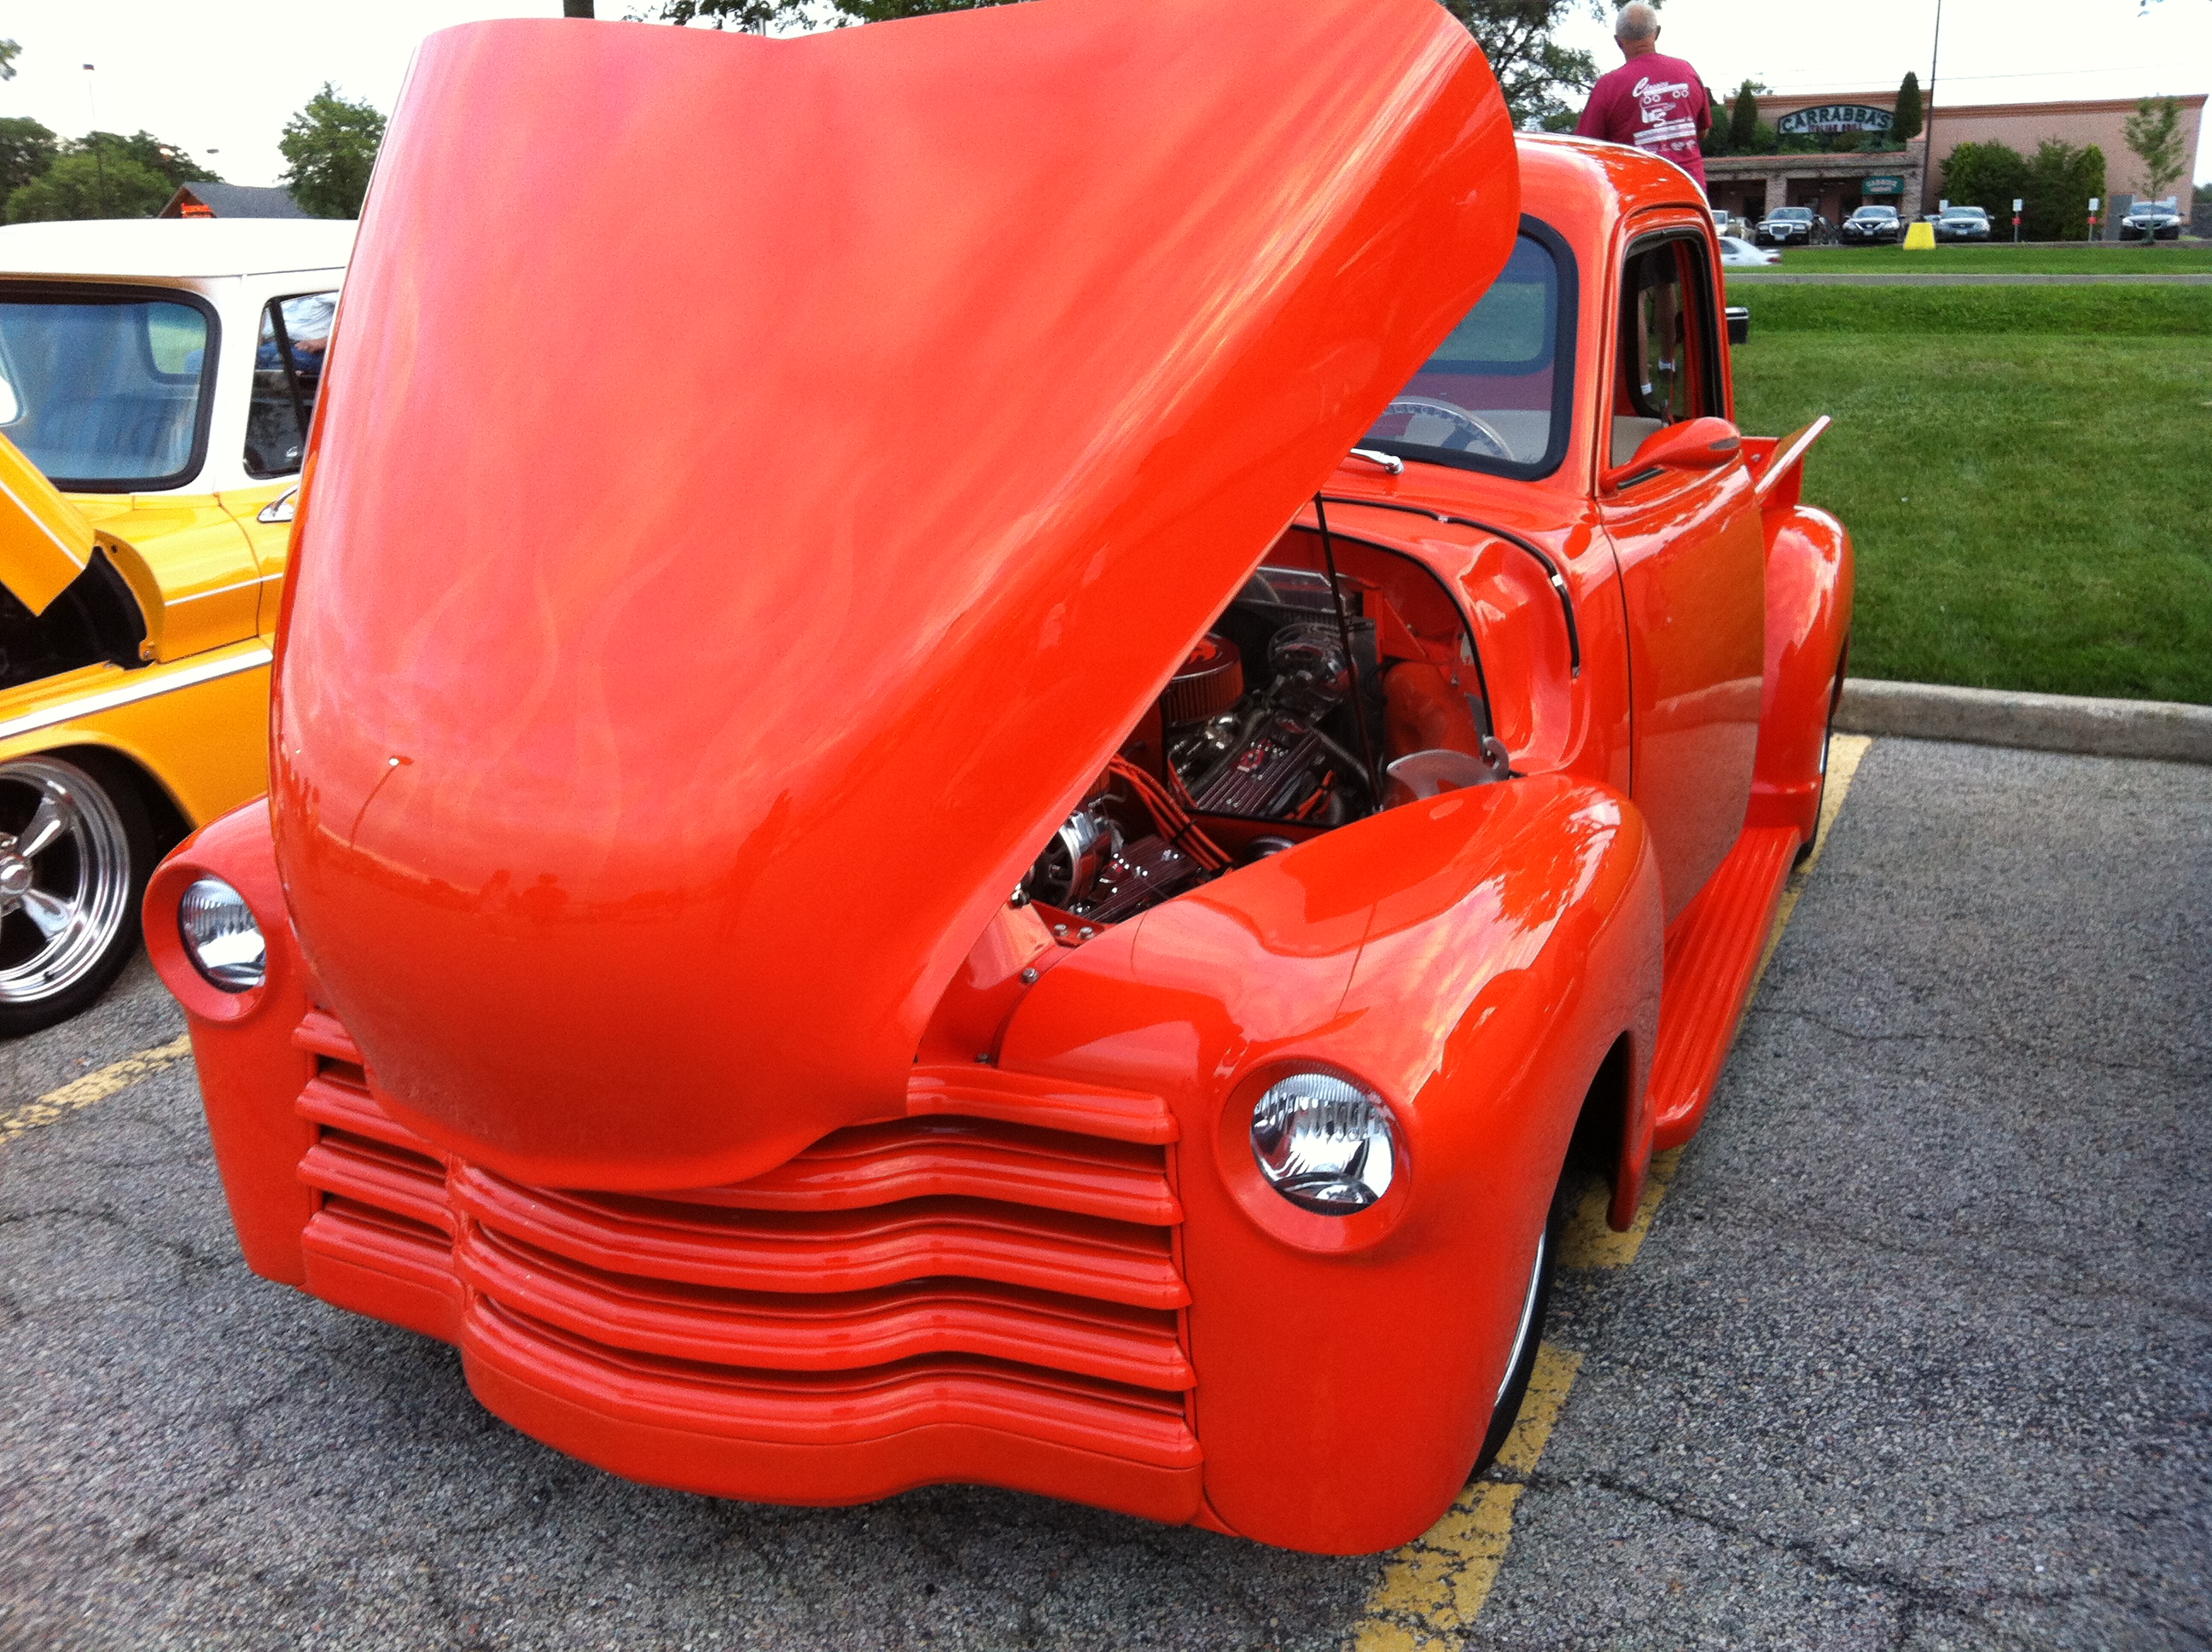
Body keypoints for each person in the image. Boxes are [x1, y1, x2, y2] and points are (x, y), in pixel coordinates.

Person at [1575, 3, 1712, 196]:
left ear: (1618, 41)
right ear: (1657, 33)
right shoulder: (1686, 71)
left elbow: (1587, 150)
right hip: (1691, 194)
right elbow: (1703, 131)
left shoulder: (1608, 86)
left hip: (1639, 198)